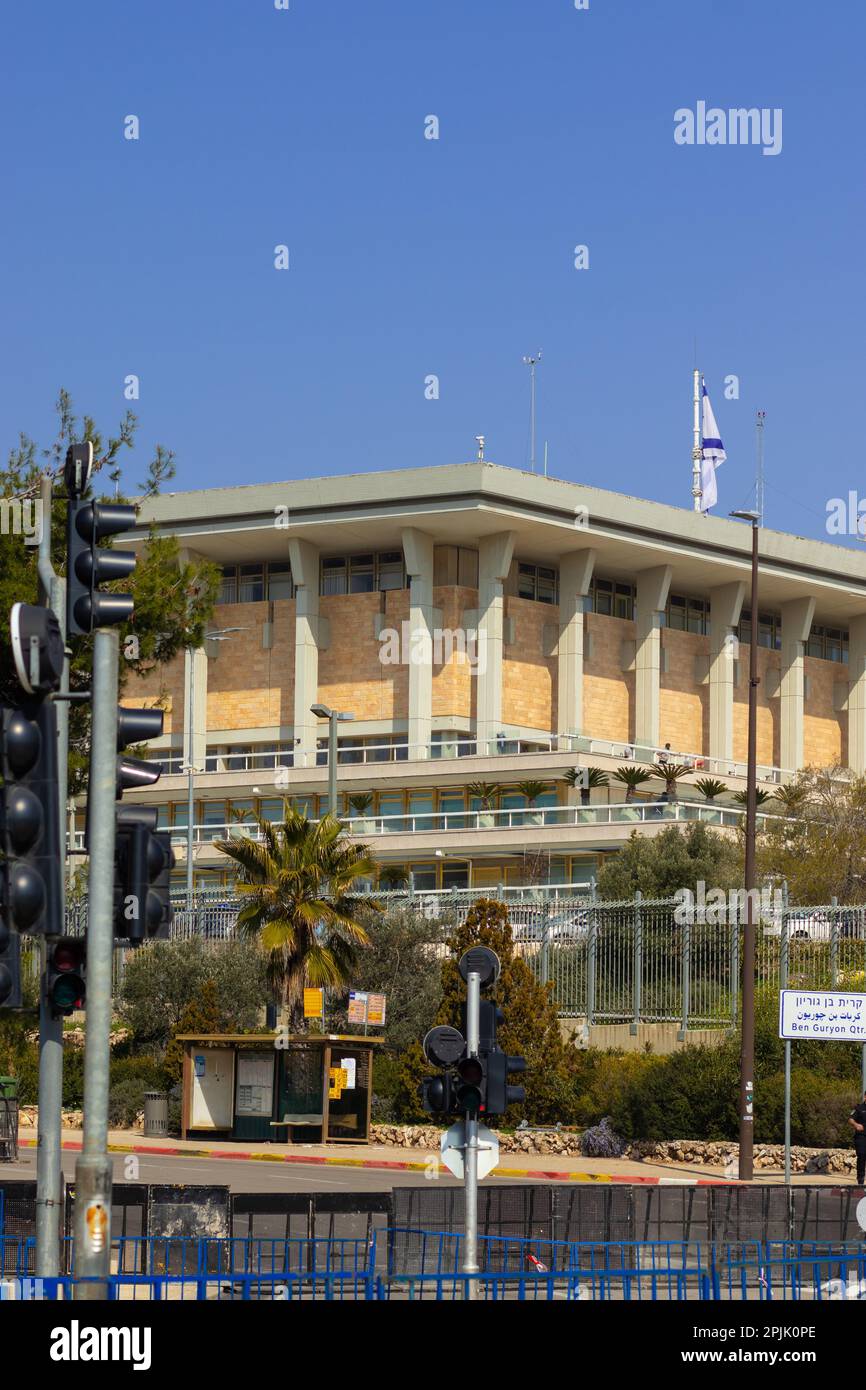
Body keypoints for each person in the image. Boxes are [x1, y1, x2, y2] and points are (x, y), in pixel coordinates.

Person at [848, 1091, 866, 1185]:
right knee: (862, 1156)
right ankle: (860, 1179)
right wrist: (856, 1125)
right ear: (865, 1097)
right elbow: (850, 1119)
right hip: (861, 1137)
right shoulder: (859, 1108)